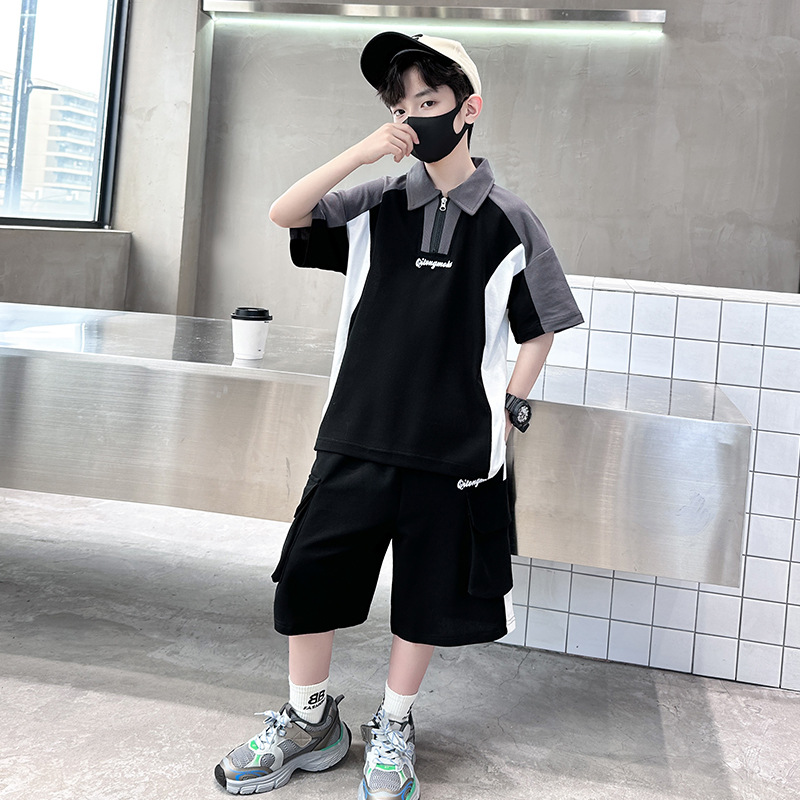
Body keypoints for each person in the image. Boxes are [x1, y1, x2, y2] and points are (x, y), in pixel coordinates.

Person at [215, 31, 584, 800]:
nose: (412, 117)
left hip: (455, 451)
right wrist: (360, 153)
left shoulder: (511, 220)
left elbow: (542, 324)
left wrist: (512, 403)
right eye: (399, 106)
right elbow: (285, 212)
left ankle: (394, 724)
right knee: (308, 580)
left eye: (428, 100)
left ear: (467, 109)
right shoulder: (376, 202)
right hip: (358, 433)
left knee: (427, 599)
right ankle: (309, 721)